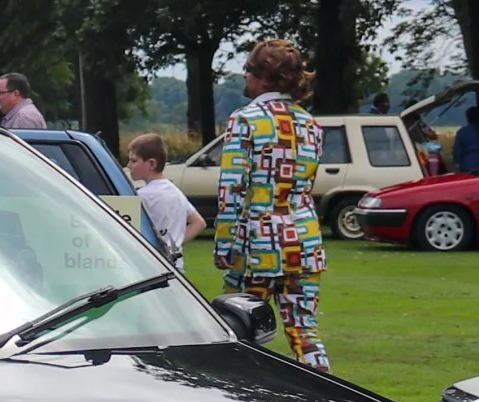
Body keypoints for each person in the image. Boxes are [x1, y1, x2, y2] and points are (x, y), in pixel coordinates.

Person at [213, 38, 330, 373]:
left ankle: (240, 398)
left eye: (248, 71)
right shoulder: (310, 124)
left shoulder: (246, 120)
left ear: (265, 78)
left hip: (257, 246)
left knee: (236, 329)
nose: (244, 78)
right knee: (305, 333)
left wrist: (225, 244)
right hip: (305, 243)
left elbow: (233, 188)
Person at [127, 132, 205, 272]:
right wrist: (175, 244)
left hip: (153, 266)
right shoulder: (176, 192)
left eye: (133, 161)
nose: (128, 166)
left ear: (151, 163)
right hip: (176, 265)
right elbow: (199, 223)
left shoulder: (142, 196)